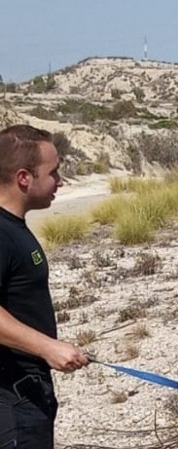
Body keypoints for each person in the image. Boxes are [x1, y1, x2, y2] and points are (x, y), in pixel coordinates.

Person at [0, 125, 90, 448]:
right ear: (24, 178)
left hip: (29, 393)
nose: (61, 181)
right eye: (53, 173)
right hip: (12, 402)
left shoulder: (15, 228)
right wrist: (48, 347)